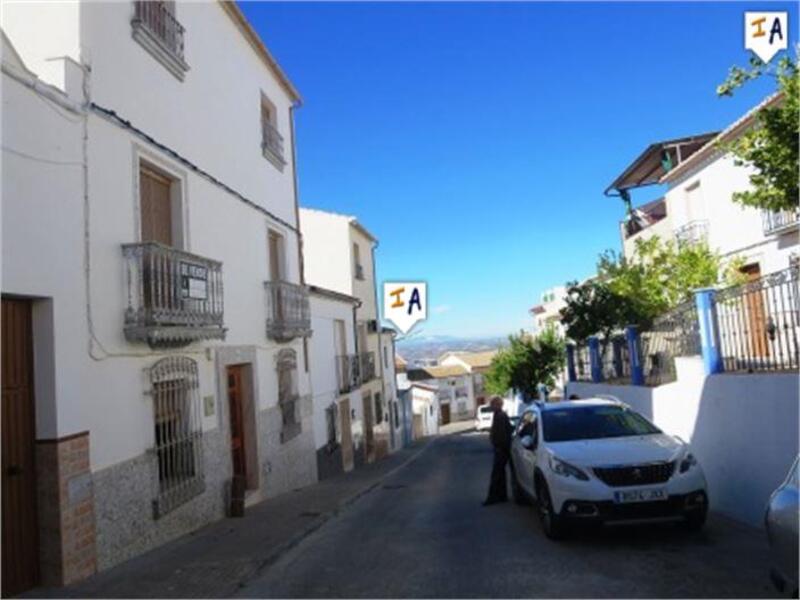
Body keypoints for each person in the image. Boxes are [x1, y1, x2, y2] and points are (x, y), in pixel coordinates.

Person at [483, 395, 513, 506]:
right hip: (501, 448)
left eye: (492, 404)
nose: (491, 406)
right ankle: (502, 496)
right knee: (501, 474)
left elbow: (503, 434)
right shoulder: (499, 415)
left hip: (501, 449)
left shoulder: (500, 416)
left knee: (496, 474)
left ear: (498, 404)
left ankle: (492, 497)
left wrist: (499, 446)